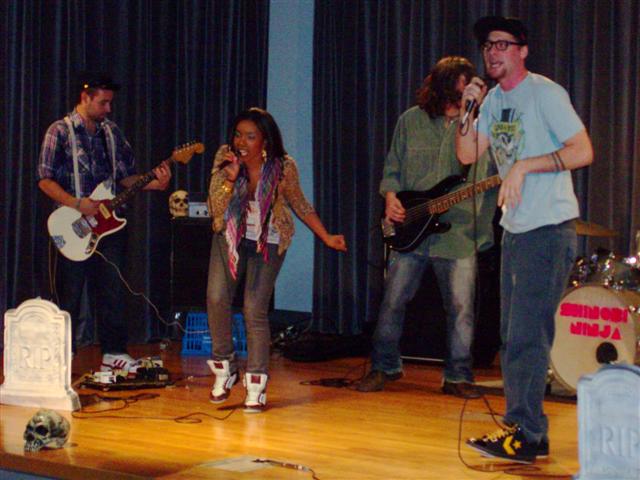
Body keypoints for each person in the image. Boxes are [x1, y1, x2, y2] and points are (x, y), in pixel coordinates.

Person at [456, 17, 593, 463]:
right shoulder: (494, 100)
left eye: (502, 44)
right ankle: (530, 432)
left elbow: (582, 150)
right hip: (515, 230)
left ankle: (526, 433)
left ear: (522, 51)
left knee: (527, 337)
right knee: (511, 336)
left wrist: (523, 166)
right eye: (487, 46)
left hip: (548, 230)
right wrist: (467, 109)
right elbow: (466, 154)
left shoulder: (544, 94)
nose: (492, 52)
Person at [356, 56, 497, 399]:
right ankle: (384, 366)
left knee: (461, 309)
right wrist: (391, 198)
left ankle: (458, 376)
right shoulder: (411, 121)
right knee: (392, 301)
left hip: (458, 233)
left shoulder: (481, 129)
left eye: (466, 93)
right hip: (412, 229)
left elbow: (492, 177)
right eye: (456, 92)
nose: (460, 100)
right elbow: (393, 167)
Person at [206, 107, 347, 413]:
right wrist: (230, 179)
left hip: (267, 241)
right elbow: (215, 206)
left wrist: (326, 236)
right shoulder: (225, 158)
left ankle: (256, 385)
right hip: (230, 236)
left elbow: (300, 203)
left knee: (253, 309)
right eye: (238, 135)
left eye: (250, 136)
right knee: (216, 297)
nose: (241, 142)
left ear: (265, 140)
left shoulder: (283, 167)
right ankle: (225, 367)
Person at [37, 72, 171, 371]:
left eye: (110, 103)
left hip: (108, 227)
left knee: (113, 290)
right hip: (72, 226)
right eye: (103, 103)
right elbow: (44, 179)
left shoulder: (111, 133)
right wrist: (77, 203)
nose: (108, 109)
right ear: (85, 97)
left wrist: (154, 183)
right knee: (69, 294)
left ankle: (113, 352)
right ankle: (60, 356)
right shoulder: (59, 131)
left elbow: (126, 178)